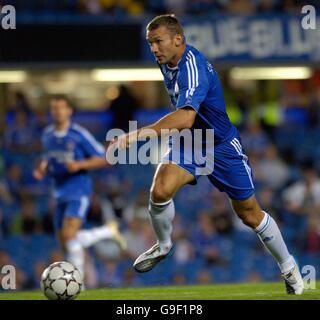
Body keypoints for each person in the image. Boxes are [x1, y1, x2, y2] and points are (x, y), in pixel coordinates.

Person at [109, 15, 304, 294]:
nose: (153, 48)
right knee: (160, 190)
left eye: (158, 41)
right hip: (190, 142)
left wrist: (136, 134)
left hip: (221, 146)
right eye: (150, 43)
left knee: (249, 215)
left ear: (178, 40)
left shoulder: (193, 67)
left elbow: (186, 118)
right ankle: (163, 245)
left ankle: (288, 267)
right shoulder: (166, 59)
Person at [33, 96, 126, 282]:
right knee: (66, 243)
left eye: (61, 108)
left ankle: (77, 284)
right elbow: (47, 157)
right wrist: (42, 168)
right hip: (58, 191)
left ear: (69, 111)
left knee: (69, 235)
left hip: (78, 190)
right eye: (54, 108)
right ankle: (107, 231)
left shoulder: (78, 134)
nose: (58, 112)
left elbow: (103, 157)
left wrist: (79, 165)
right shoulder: (48, 135)